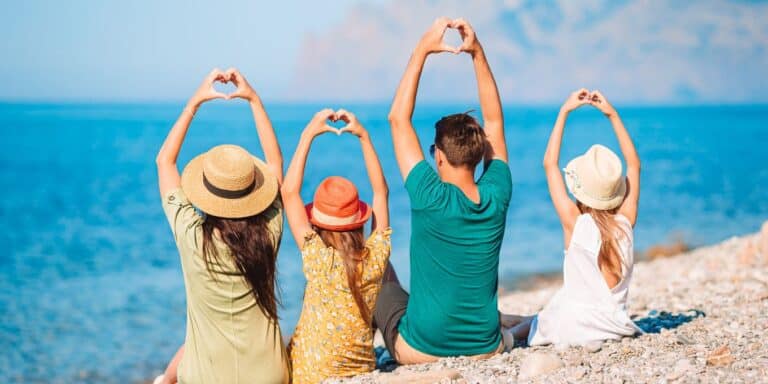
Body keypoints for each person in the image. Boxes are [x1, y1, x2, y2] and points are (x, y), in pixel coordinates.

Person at [373, 17, 512, 364]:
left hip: (419, 351)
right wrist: (477, 53)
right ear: (481, 155)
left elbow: (398, 119)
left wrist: (422, 50)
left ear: (437, 155)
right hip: (485, 347)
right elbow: (494, 122)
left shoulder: (429, 196)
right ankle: (510, 330)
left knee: (382, 285)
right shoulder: (497, 193)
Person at [153, 68, 289, 384]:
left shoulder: (191, 235)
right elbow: (276, 164)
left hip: (207, 377)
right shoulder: (268, 232)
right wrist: (254, 99)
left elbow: (164, 162)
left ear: (206, 191)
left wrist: (194, 103)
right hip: (268, 376)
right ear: (253, 192)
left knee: (179, 362)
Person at [501, 89, 643, 347]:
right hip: (615, 325)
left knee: (547, 317)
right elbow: (634, 165)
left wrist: (564, 112)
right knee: (556, 307)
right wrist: (612, 115)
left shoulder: (576, 223)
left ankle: (508, 333)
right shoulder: (626, 222)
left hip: (575, 328)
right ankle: (514, 321)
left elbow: (549, 163)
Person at [281, 109, 391, 383]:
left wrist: (309, 133)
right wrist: (364, 137)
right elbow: (381, 193)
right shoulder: (375, 258)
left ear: (317, 222)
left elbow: (289, 192)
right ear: (359, 221)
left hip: (309, 375)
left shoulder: (319, 259)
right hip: (362, 371)